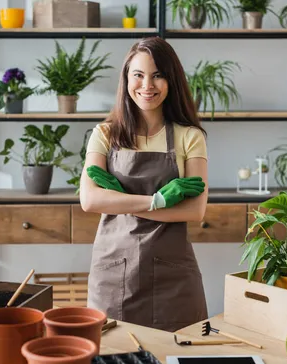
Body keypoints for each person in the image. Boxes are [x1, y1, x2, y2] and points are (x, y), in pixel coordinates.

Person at [79, 37, 209, 333]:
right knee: (112, 361)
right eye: (138, 75)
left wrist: (120, 200)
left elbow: (194, 209)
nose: (147, 85)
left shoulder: (190, 137)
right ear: (126, 79)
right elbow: (89, 200)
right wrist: (157, 201)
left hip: (173, 277)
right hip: (113, 274)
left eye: (158, 75)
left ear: (171, 80)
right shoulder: (105, 134)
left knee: (178, 362)